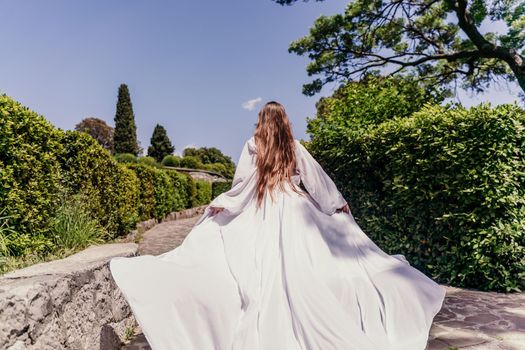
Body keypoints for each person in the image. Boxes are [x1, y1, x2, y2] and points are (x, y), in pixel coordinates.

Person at [109, 101, 446, 350]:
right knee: (312, 261)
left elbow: (244, 183)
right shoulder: (294, 146)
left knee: (250, 264)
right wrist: (335, 205)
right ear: (284, 121)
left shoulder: (254, 145)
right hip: (294, 204)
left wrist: (224, 204)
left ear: (261, 122)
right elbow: (317, 182)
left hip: (260, 206)